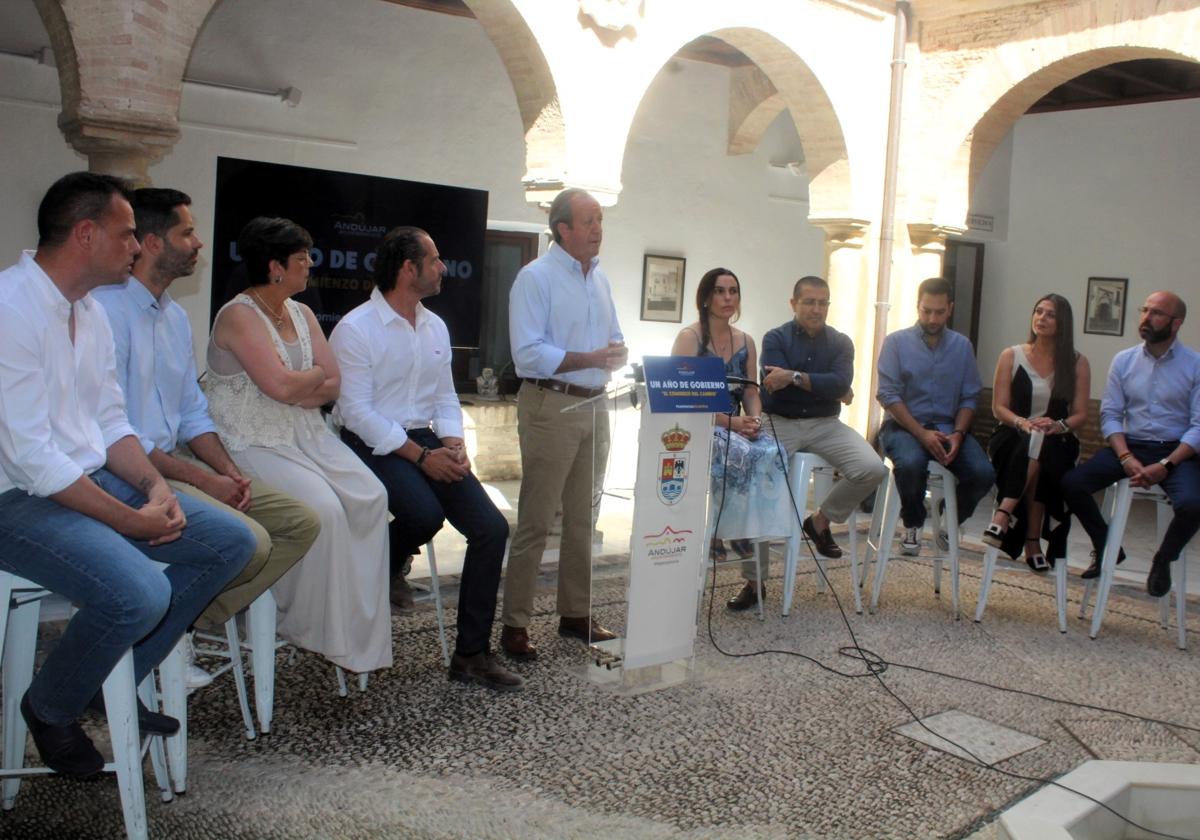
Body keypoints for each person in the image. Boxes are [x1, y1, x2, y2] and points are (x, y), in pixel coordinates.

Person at [0, 172, 253, 778]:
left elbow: (111, 423)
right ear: (86, 235)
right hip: (16, 499)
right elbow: (32, 458)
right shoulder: (11, 308)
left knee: (231, 541)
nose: (137, 247)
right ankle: (49, 705)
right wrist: (130, 521)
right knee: (141, 592)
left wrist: (154, 488)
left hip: (82, 479)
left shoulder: (86, 311)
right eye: (127, 235)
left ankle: (103, 677)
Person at [93, 188, 320, 685]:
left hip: (174, 462)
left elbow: (193, 414)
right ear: (153, 243)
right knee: (248, 541)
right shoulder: (104, 312)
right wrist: (203, 479)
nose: (199, 243)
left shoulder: (173, 316)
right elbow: (117, 435)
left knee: (301, 522)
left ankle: (182, 621)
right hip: (124, 473)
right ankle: (158, 637)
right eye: (188, 233)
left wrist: (229, 473)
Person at [331, 227, 521, 690]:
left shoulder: (435, 325)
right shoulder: (356, 329)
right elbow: (356, 413)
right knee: (423, 513)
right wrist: (420, 458)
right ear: (407, 269)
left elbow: (444, 396)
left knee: (492, 529)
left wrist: (453, 444)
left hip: (424, 438)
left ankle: (471, 655)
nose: (442, 268)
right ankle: (380, 565)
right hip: (369, 441)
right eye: (434, 260)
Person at [203, 216, 392, 674]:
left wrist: (300, 383)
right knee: (324, 510)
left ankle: (355, 628)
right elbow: (282, 387)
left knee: (371, 497)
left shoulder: (303, 314)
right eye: (301, 257)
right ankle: (310, 626)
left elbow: (332, 384)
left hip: (307, 434)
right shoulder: (237, 316)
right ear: (275, 267)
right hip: (251, 442)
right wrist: (307, 380)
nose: (310, 263)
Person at [502, 188, 627, 659]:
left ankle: (576, 613)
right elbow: (527, 354)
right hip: (551, 404)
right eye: (589, 221)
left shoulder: (601, 278)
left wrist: (617, 352)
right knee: (537, 520)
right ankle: (514, 624)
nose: (598, 229)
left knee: (583, 517)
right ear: (563, 229)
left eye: (600, 220)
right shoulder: (535, 278)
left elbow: (614, 336)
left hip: (596, 404)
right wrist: (590, 358)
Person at [757, 275, 888, 605]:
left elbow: (840, 383)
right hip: (779, 421)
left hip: (825, 424)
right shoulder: (775, 338)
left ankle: (819, 521)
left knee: (872, 468)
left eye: (822, 302)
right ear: (794, 303)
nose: (816, 309)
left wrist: (795, 377)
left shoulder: (841, 343)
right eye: (809, 302)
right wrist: (825, 385)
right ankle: (753, 580)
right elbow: (774, 385)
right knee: (756, 482)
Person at [1061, 291, 1200, 596]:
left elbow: (1198, 426)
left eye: (1156, 313)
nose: (1146, 318)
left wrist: (1166, 465)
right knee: (1072, 484)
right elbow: (1111, 414)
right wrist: (1125, 456)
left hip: (1176, 450)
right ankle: (1106, 545)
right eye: (1144, 310)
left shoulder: (1195, 365)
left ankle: (1164, 558)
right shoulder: (1124, 360)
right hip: (1130, 445)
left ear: (1176, 323)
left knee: (1193, 504)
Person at [670, 268, 791, 611]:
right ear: (706, 297)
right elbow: (681, 396)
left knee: (772, 452)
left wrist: (753, 420)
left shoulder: (745, 341)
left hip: (735, 424)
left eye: (733, 291)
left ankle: (754, 571)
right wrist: (731, 423)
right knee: (738, 452)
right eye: (720, 291)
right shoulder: (689, 339)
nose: (727, 298)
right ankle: (722, 535)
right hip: (697, 426)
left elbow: (751, 391)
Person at [876, 276, 995, 554]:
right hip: (904, 427)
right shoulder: (896, 343)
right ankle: (913, 522)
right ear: (917, 306)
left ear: (950, 308)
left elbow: (970, 396)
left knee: (983, 473)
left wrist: (959, 434)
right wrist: (921, 433)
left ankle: (950, 518)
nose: (932, 318)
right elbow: (888, 395)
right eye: (926, 310)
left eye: (939, 312)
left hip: (948, 428)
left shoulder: (962, 346)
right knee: (911, 463)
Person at [984, 294, 1089, 571]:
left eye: (1050, 314)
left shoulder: (1077, 362)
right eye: (1038, 311)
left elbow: (1080, 414)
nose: (1041, 318)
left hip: (1058, 438)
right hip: (1011, 434)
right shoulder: (1011, 355)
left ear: (1063, 322)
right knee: (1035, 445)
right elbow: (999, 408)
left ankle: (1004, 514)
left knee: (1043, 447)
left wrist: (1058, 425)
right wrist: (1022, 423)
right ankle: (1032, 540)